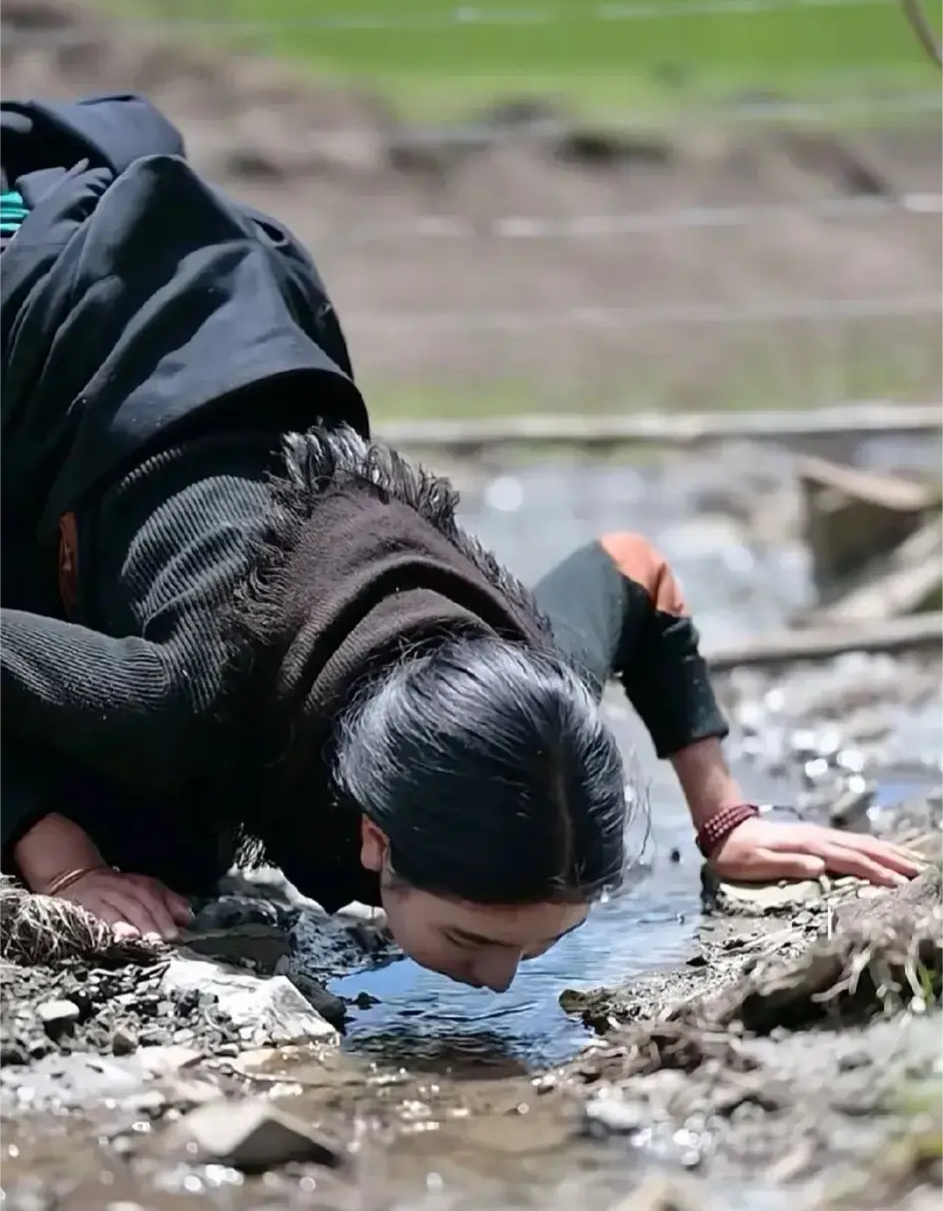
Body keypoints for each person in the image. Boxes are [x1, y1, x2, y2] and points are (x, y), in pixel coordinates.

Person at [0, 95, 920, 992]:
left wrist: (725, 819)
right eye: (472, 936)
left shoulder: (525, 672)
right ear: (374, 837)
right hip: (54, 326)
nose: (496, 984)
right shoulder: (182, 702)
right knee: (150, 824)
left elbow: (633, 572)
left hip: (233, 378)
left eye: (538, 946)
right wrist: (63, 863)